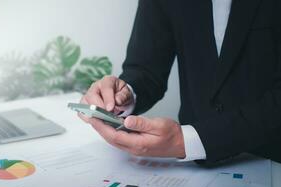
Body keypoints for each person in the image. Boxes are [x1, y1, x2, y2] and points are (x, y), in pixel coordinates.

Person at [79, 0, 281, 165]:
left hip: (270, 160)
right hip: (194, 168)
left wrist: (188, 141)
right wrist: (124, 93)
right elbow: (145, 69)